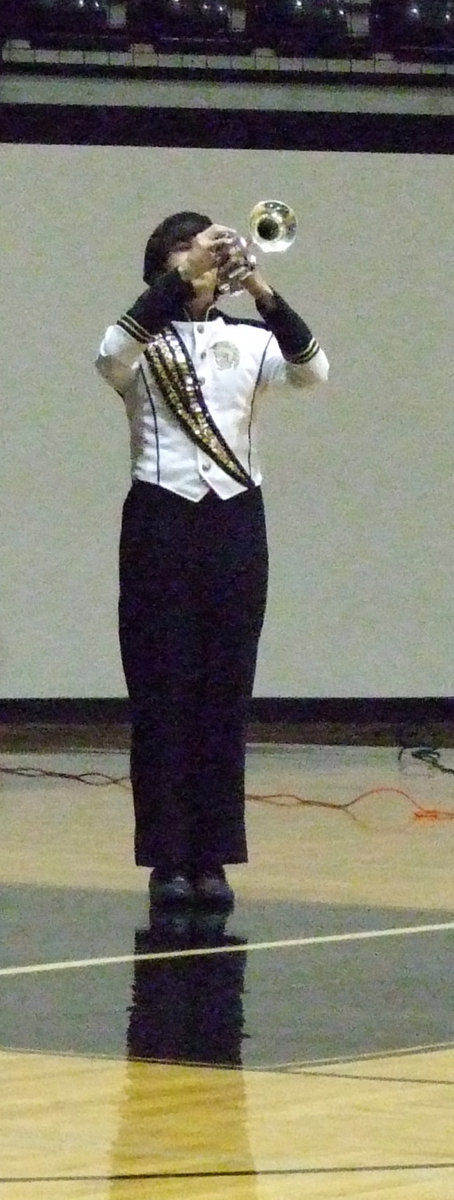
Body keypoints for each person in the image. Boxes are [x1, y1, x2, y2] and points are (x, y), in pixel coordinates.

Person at [95, 210, 329, 910]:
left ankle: (212, 857)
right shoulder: (140, 340)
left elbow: (313, 370)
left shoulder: (249, 340)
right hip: (161, 519)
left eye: (203, 254)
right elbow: (110, 355)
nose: (197, 264)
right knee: (162, 693)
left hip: (234, 522)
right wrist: (182, 276)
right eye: (180, 253)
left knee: (224, 693)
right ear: (160, 265)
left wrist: (259, 286)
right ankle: (166, 858)